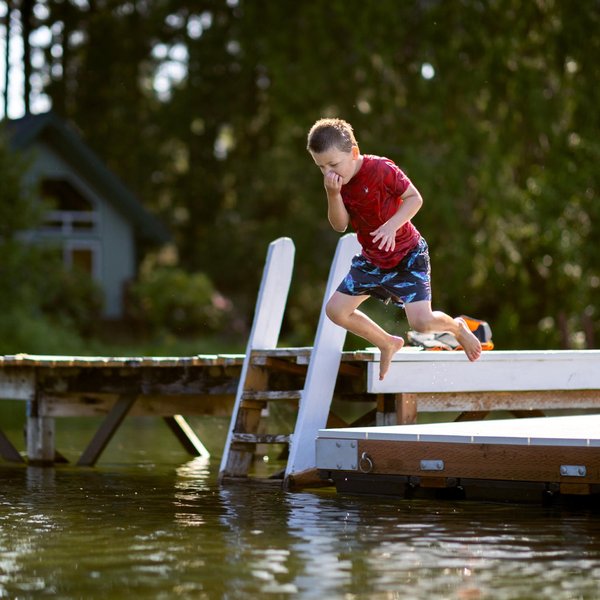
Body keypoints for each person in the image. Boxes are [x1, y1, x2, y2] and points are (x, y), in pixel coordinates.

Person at [306, 117, 482, 380]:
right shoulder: (337, 185)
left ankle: (457, 328)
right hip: (373, 260)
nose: (329, 173)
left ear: (353, 152)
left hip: (408, 256)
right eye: (321, 167)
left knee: (421, 323)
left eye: (333, 164)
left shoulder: (380, 168)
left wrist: (391, 226)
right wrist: (332, 194)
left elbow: (414, 198)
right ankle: (387, 342)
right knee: (335, 311)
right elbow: (339, 225)